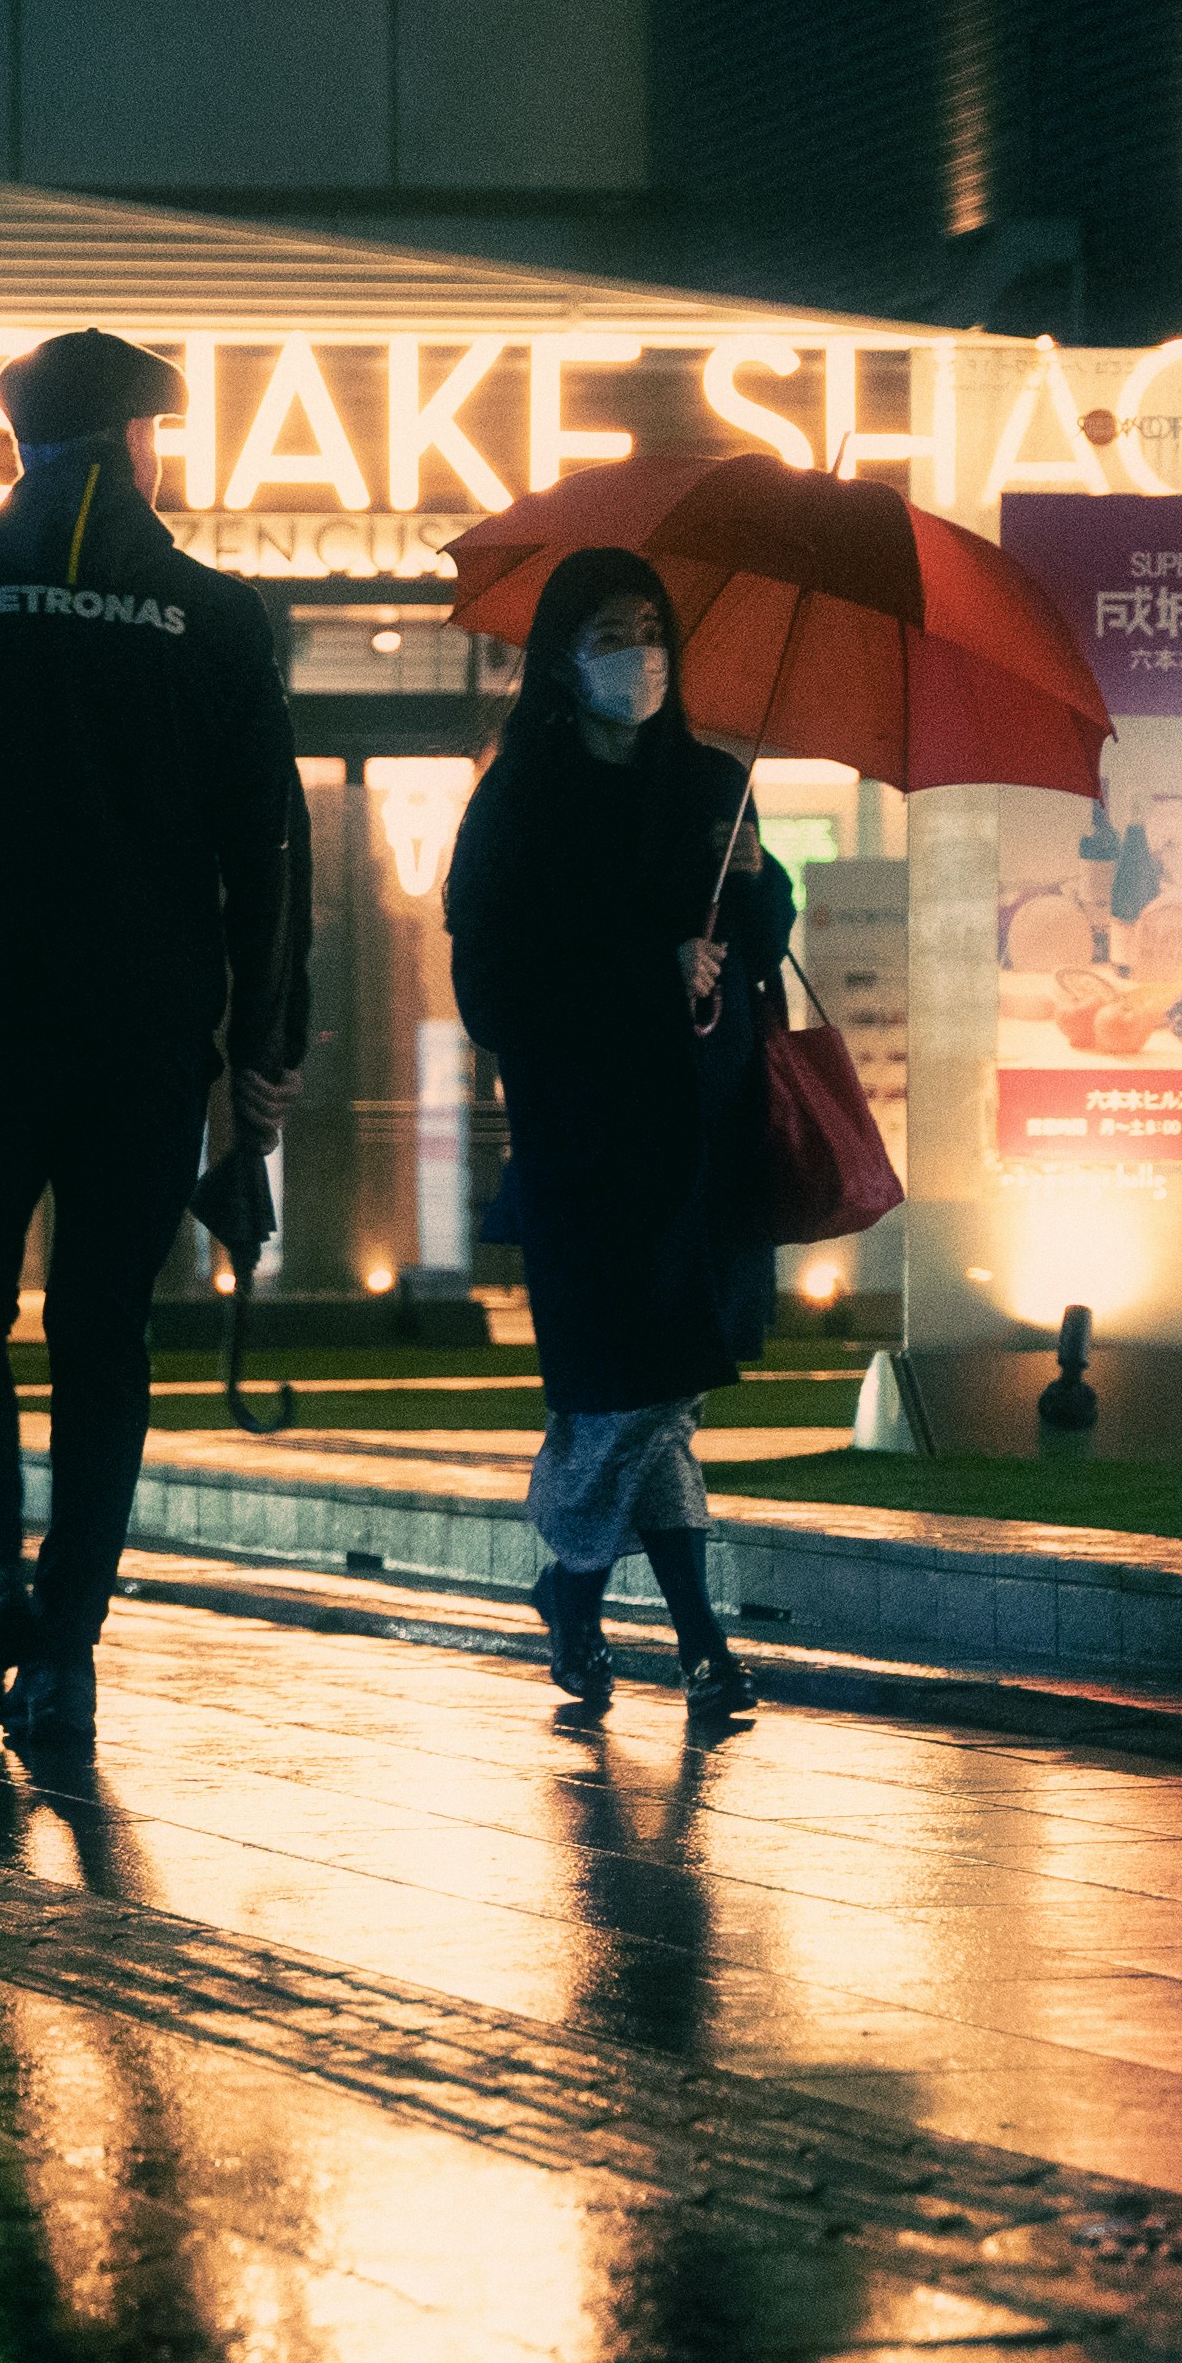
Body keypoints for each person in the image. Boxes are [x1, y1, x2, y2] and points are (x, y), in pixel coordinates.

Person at [0, 329, 309, 1768]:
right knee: (107, 1337)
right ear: (142, 446)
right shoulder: (215, 614)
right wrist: (262, 1044)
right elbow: (267, 853)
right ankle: (70, 1656)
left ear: (21, 447)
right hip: (144, 1039)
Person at [447, 546, 791, 1737]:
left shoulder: (706, 783)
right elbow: (493, 983)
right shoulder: (520, 799)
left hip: (706, 1140)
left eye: (652, 626)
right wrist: (643, 974)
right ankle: (677, 1633)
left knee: (650, 1396)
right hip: (588, 1149)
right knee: (636, 1391)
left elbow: (762, 930)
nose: (637, 652)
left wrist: (752, 887)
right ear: (560, 653)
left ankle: (600, 1599)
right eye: (609, 631)